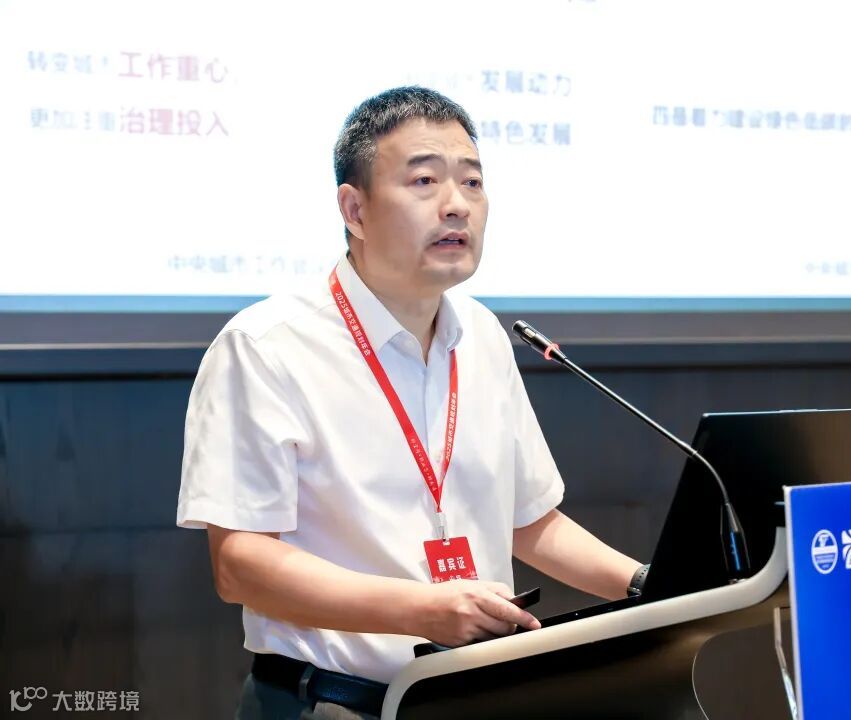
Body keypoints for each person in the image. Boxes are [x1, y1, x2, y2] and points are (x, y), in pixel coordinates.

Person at [176, 86, 643, 719]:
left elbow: (530, 522)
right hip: (332, 703)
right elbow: (239, 564)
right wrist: (421, 609)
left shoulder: (482, 335)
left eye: (472, 182)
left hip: (476, 698)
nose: (456, 205)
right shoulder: (267, 346)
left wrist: (648, 584)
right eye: (424, 181)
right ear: (355, 209)